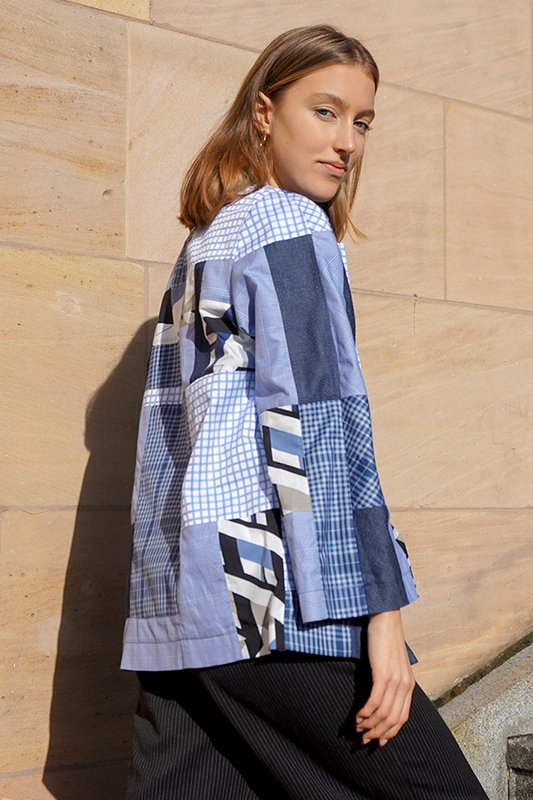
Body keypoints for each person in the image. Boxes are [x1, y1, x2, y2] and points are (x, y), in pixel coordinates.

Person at [120, 24, 490, 800]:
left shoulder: (208, 240)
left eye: (360, 122)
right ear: (264, 112)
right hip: (277, 602)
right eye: (324, 112)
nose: (345, 141)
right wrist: (380, 611)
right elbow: (319, 425)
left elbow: (166, 443)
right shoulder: (287, 225)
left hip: (190, 606)